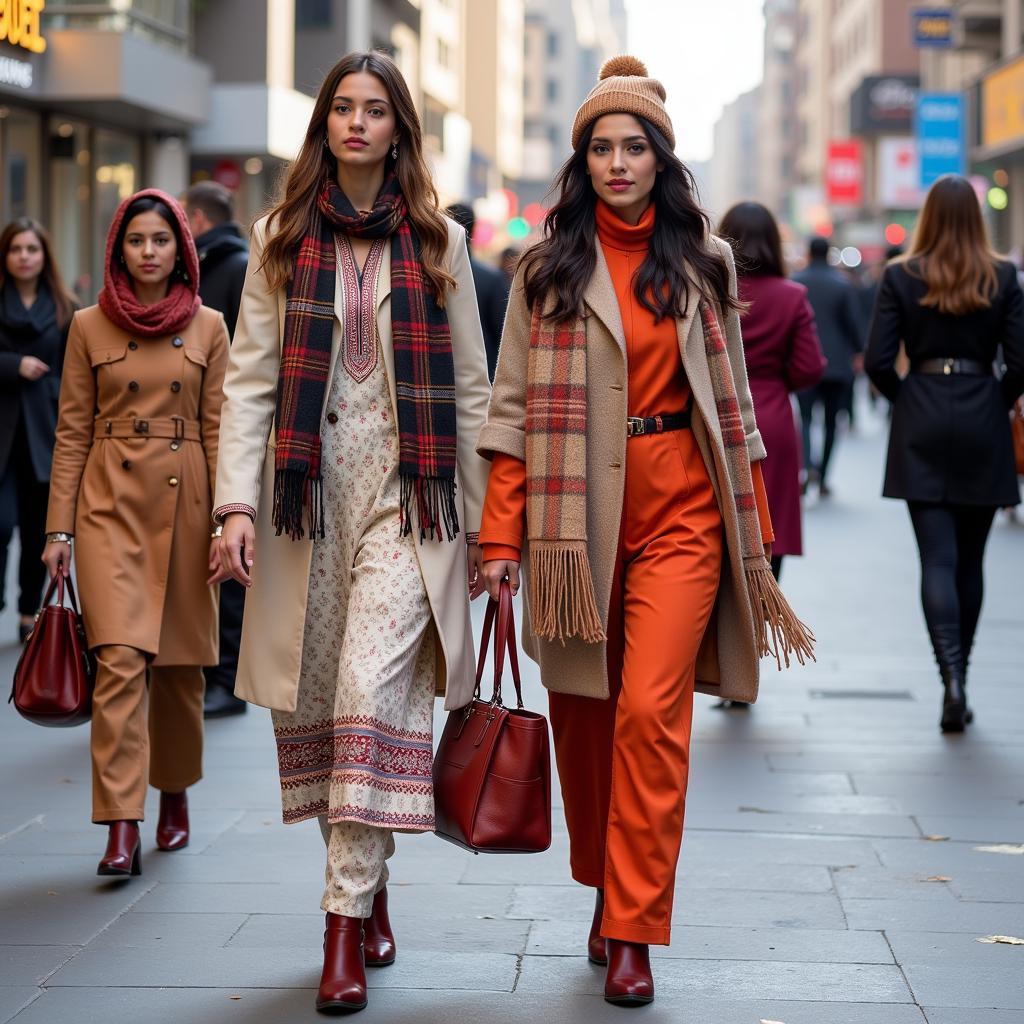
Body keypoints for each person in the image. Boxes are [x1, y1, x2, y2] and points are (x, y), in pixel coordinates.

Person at [478, 56, 813, 1007]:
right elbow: (510, 420)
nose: (618, 163)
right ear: (581, 162)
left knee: (653, 719)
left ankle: (633, 925)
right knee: (584, 721)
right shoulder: (546, 272)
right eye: (601, 148)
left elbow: (736, 406)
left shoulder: (702, 264)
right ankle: (604, 882)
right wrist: (501, 542)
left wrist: (755, 531)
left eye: (634, 147)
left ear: (662, 161)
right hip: (573, 526)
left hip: (682, 517)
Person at [210, 51, 490, 1016]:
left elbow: (470, 390)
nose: (358, 123)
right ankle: (370, 889)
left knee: (369, 693)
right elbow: (249, 381)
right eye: (344, 108)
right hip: (307, 506)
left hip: (412, 510)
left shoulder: (440, 241)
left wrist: (489, 535)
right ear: (323, 124)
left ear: (400, 128)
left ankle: (336, 930)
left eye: (376, 110)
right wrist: (234, 507)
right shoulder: (279, 236)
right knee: (327, 712)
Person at [42, 189, 229, 876]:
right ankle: (121, 821)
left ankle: (173, 791)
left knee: (179, 670)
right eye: (136, 241)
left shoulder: (209, 326)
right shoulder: (89, 325)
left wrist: (224, 523)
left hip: (186, 508)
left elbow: (219, 430)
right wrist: (58, 530)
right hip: (106, 507)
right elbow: (71, 432)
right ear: (118, 249)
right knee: (118, 662)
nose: (148, 252)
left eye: (160, 240)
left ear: (181, 248)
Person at [866, 174, 1024, 733]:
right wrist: (992, 400)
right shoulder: (1003, 275)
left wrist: (909, 400)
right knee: (972, 560)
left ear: (927, 217)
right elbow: (1021, 364)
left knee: (936, 558)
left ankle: (949, 677)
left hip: (923, 411)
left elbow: (880, 360)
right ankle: (963, 676)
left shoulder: (900, 276)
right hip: (983, 412)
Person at [719, 202, 825, 581]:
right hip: (773, 418)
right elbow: (810, 366)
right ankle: (760, 622)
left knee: (716, 529)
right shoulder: (791, 295)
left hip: (715, 414)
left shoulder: (709, 290)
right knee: (770, 528)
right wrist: (778, 382)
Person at [183, 180, 250, 719]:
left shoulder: (222, 270)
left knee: (226, 557)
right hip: (220, 429)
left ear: (199, 222)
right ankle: (218, 673)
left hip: (222, 430)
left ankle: (224, 676)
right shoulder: (230, 264)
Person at [0, 218, 77, 641]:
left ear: (44, 255)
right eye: (16, 249)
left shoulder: (66, 307)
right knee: (0, 523)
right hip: (3, 434)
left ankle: (29, 610)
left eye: (31, 249)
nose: (24, 257)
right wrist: (14, 366)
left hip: (44, 432)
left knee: (35, 528)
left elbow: (76, 373)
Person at [794, 236, 864, 496]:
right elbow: (853, 324)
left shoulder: (797, 282)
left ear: (809, 254)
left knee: (806, 418)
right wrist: (858, 352)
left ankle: (807, 466)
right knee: (832, 422)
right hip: (836, 364)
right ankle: (823, 475)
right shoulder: (842, 285)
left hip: (803, 364)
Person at [446, 202, 510, 381]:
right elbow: (503, 336)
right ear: (473, 230)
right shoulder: (492, 279)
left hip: (443, 376)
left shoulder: (431, 275)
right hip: (484, 375)